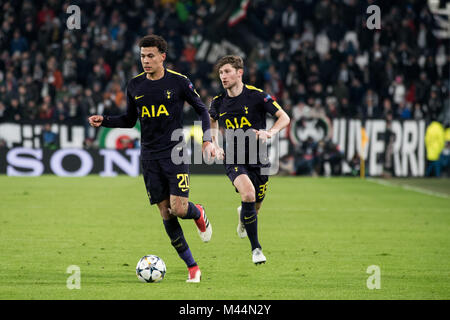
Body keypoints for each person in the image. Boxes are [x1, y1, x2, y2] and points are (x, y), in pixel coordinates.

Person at [88, 35, 215, 283]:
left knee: (179, 208)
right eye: (142, 56)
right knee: (166, 213)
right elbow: (128, 120)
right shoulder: (135, 85)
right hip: (149, 156)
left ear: (162, 57)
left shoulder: (179, 82)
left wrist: (207, 139)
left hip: (175, 152)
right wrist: (105, 120)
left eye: (150, 56)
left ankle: (198, 212)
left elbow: (201, 109)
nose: (145, 61)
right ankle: (192, 267)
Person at [209, 55, 290, 265]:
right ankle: (256, 249)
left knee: (255, 205)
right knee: (248, 193)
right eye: (220, 73)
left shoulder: (257, 96)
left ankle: (243, 216)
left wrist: (270, 132)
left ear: (239, 72)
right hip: (233, 157)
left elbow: (284, 117)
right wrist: (216, 145)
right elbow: (211, 122)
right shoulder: (218, 102)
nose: (223, 76)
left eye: (227, 71)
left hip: (258, 157)